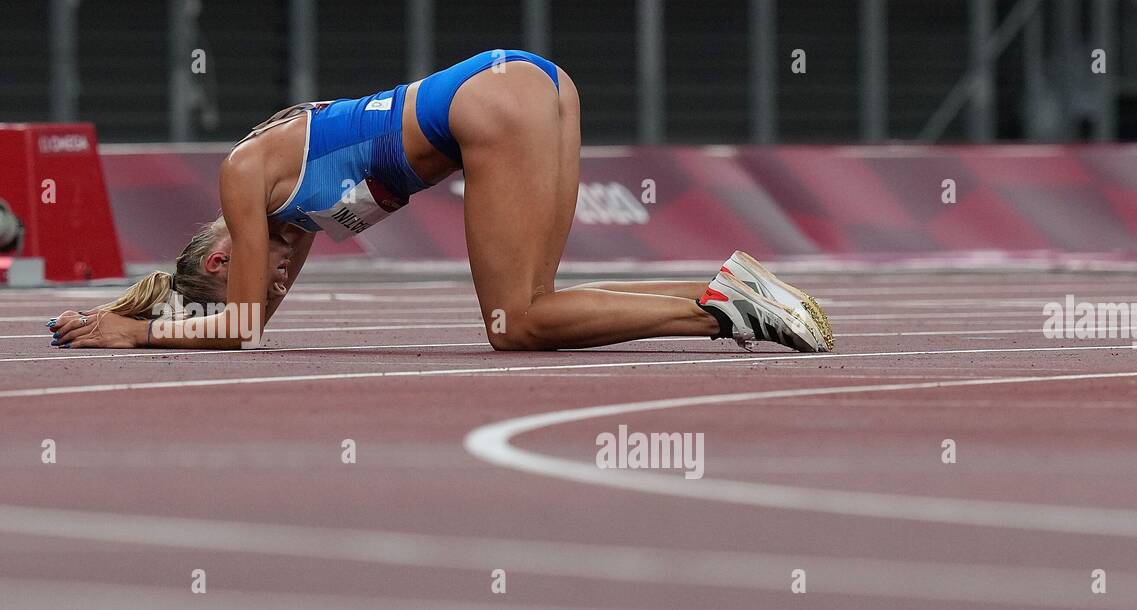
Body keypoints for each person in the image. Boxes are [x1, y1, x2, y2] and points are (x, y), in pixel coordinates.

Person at [49, 50, 832, 354]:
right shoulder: (292, 216)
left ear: (224, 255)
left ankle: (720, 311)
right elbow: (249, 318)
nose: (277, 287)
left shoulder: (246, 175)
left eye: (265, 277)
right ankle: (726, 294)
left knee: (513, 326)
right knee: (535, 308)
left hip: (489, 107)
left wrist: (132, 336)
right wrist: (151, 316)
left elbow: (242, 324)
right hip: (536, 84)